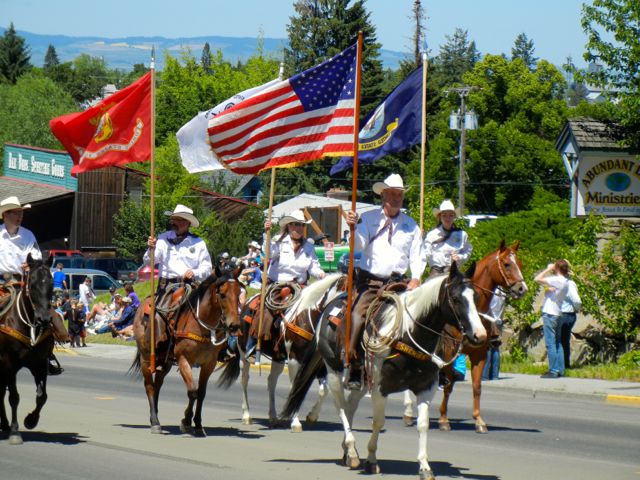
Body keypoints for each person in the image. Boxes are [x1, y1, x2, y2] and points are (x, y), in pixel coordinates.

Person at [343, 173, 425, 390]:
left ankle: (422, 363)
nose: (396, 199)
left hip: (400, 283)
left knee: (423, 315)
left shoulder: (411, 225)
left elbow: (418, 254)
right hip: (371, 283)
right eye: (392, 194)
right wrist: (352, 229)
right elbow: (358, 245)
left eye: (399, 195)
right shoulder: (369, 218)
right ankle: (354, 364)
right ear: (383, 196)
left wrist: (416, 277)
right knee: (358, 314)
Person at [242, 209, 326, 357]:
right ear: (288, 226)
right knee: (264, 308)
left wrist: (321, 274)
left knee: (317, 309)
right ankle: (254, 341)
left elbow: (313, 267)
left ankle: (312, 345)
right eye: (295, 224)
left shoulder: (309, 247)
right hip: (277, 285)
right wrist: (266, 233)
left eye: (301, 225)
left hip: (300, 287)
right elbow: (268, 251)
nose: (298, 228)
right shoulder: (277, 241)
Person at [0, 196, 63, 374]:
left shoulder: (28, 235)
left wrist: (32, 264)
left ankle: (46, 353)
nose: (19, 216)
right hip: (1, 282)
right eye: (15, 213)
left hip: (23, 281)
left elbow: (35, 256)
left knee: (45, 309)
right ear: (5, 215)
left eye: (21, 213)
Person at [143, 204, 212, 300]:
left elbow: (207, 268)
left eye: (180, 220)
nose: (175, 222)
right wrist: (151, 249)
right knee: (148, 311)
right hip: (166, 289)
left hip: (190, 287)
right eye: (175, 219)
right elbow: (148, 262)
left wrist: (194, 272)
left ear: (188, 223)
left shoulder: (198, 243)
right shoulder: (163, 239)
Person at [534, 259, 570, 378]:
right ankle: (560, 369)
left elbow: (537, 279)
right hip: (559, 313)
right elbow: (550, 289)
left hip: (550, 313)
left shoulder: (556, 280)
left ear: (557, 268)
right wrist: (548, 289)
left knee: (550, 343)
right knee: (558, 342)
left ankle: (553, 370)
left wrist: (548, 269)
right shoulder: (565, 281)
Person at [423, 199, 472, 278]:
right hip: (435, 273)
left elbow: (468, 251)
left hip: (453, 273)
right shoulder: (432, 235)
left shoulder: (462, 235)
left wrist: (459, 257)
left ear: (454, 216)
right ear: (440, 217)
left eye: (450, 215)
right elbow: (425, 253)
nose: (447, 218)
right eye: (444, 215)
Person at [482, 287, 508, 380]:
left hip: (490, 318)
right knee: (495, 346)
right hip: (498, 319)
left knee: (487, 346)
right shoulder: (502, 291)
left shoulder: (493, 291)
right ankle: (494, 375)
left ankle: (484, 375)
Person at [560, 265, 582, 369]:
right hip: (563, 314)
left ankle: (564, 365)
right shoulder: (559, 283)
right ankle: (563, 364)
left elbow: (577, 301)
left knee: (562, 341)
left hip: (566, 314)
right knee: (562, 341)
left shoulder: (569, 284)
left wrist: (577, 308)